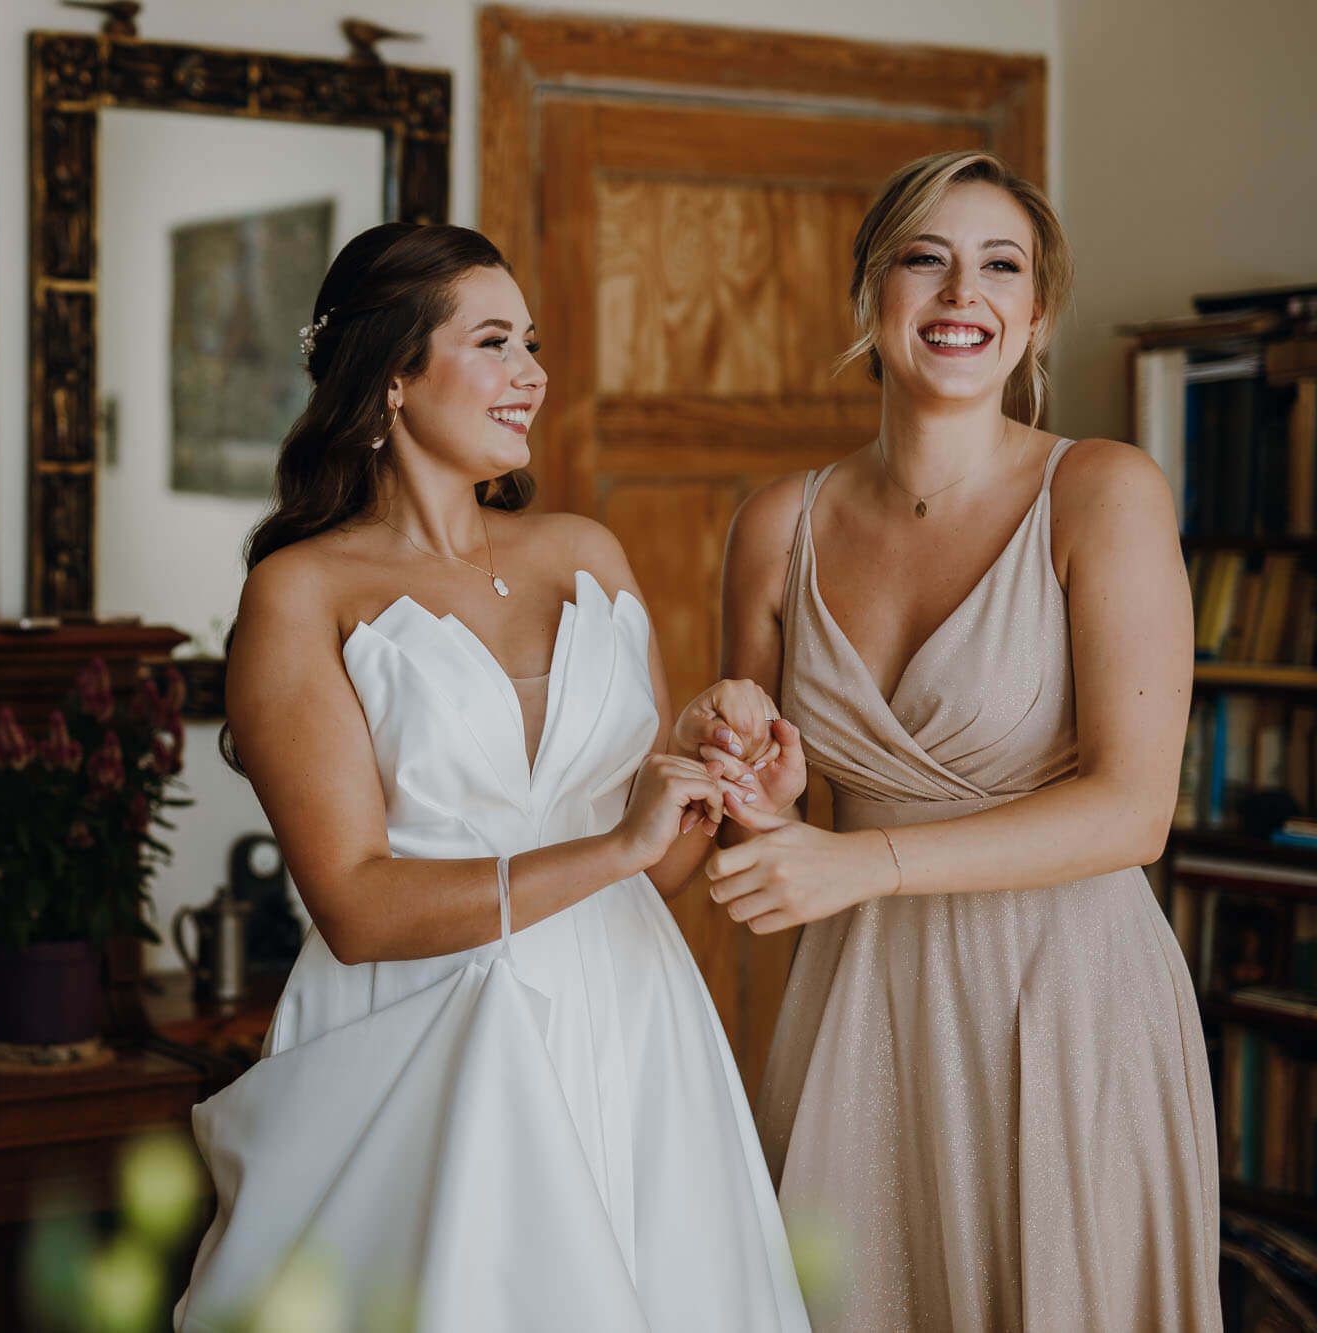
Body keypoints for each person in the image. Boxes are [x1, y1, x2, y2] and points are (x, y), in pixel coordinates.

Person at [177, 222, 810, 1331]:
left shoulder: (585, 553)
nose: (533, 373)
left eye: (532, 343)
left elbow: (651, 870)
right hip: (424, 1043)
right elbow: (357, 908)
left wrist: (722, 772)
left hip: (633, 1020)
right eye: (493, 342)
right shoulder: (302, 591)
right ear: (393, 376)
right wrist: (615, 845)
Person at [703, 150, 1218, 1330]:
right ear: (868, 294)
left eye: (999, 267)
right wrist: (759, 801)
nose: (959, 294)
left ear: (1035, 312)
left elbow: (1133, 809)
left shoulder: (1102, 491)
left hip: (1064, 1000)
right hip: (858, 1007)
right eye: (922, 260)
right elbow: (763, 831)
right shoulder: (776, 524)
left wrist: (861, 862)